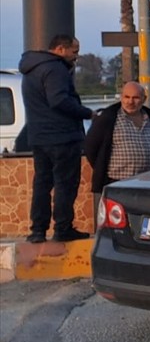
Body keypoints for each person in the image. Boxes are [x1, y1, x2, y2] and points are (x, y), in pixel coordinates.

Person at [18, 34, 94, 243]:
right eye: (74, 51)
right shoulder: (55, 69)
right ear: (61, 49)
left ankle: (38, 231)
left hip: (39, 137)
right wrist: (87, 113)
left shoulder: (30, 69)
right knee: (65, 184)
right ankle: (63, 228)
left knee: (42, 184)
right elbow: (59, 100)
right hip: (62, 137)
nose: (76, 57)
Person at [84, 81, 150, 197]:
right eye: (127, 97)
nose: (130, 102)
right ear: (121, 97)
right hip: (117, 184)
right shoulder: (109, 118)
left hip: (148, 184)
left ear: (144, 99)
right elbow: (90, 147)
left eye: (135, 97)